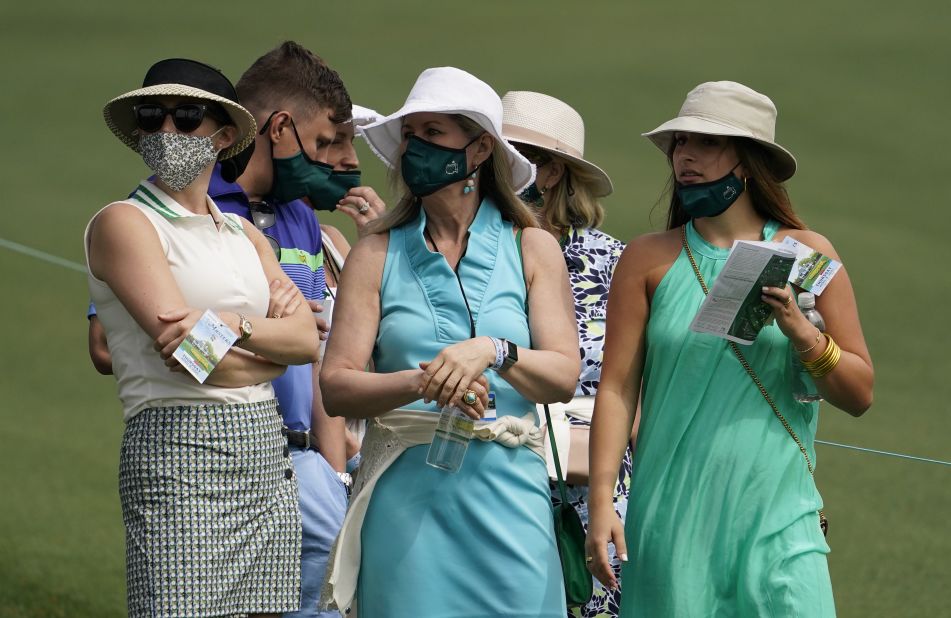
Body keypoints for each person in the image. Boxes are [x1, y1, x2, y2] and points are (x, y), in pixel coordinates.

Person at [585, 81, 874, 616]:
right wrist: (602, 499)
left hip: (778, 512)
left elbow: (859, 393)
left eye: (706, 143)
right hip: (671, 517)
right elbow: (618, 389)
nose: (686, 157)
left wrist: (804, 333)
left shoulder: (805, 253)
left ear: (747, 160)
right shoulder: (648, 259)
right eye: (679, 144)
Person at [318, 67, 581, 617]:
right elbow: (337, 387)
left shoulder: (532, 247)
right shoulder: (375, 253)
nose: (415, 148)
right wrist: (423, 380)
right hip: (407, 510)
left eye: (432, 134)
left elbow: (561, 376)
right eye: (410, 135)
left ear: (481, 148)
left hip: (512, 503)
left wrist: (495, 350)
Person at [86, 58, 319, 617]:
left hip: (265, 459)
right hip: (177, 452)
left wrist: (234, 328)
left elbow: (307, 339)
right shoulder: (125, 223)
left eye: (186, 116)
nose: (167, 131)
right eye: (151, 116)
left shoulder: (241, 230)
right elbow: (193, 358)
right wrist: (270, 355)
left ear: (225, 134)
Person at [502, 90, 630, 618]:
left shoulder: (615, 260)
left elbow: (637, 382)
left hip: (599, 484)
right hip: (501, 467)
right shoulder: (473, 249)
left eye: (517, 155)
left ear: (551, 172)